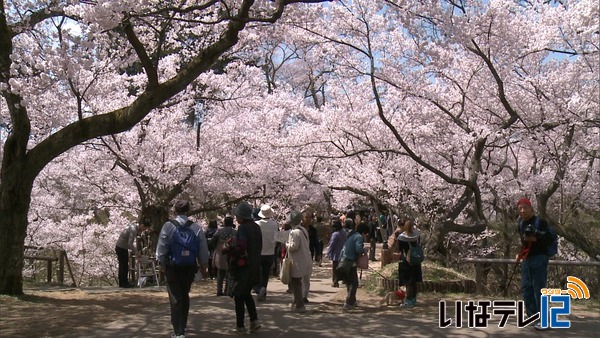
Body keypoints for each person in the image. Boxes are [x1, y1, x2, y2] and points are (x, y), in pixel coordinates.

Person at [156, 200, 209, 338]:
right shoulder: (196, 227)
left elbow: (162, 247)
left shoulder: (168, 226)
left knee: (175, 296)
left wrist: (161, 263)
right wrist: (204, 264)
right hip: (189, 266)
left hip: (173, 266)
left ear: (175, 211)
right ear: (188, 211)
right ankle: (183, 325)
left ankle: (178, 331)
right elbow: (203, 248)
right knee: (184, 294)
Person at [515, 197, 553, 331]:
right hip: (527, 259)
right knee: (527, 289)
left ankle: (545, 320)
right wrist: (520, 254)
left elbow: (549, 238)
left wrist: (537, 237)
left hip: (540, 258)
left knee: (539, 289)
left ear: (531, 208)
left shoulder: (540, 222)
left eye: (525, 207)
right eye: (520, 208)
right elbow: (524, 242)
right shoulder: (520, 224)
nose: (522, 211)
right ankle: (533, 317)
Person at [229, 201, 262, 334]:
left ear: (241, 217)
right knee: (246, 293)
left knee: (238, 295)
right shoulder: (256, 227)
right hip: (255, 265)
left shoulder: (243, 228)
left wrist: (231, 250)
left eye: (237, 215)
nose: (236, 218)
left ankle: (240, 326)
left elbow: (241, 246)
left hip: (244, 267)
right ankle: (254, 321)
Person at [286, 210, 312, 313]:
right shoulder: (304, 230)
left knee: (296, 283)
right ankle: (297, 302)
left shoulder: (294, 232)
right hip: (306, 259)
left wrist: (286, 244)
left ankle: (299, 305)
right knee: (301, 282)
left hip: (298, 261)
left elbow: (293, 247)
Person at [339, 223, 368, 311]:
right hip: (350, 261)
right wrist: (365, 250)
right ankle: (348, 303)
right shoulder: (358, 237)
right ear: (363, 232)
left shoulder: (352, 236)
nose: (365, 236)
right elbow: (358, 249)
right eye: (366, 234)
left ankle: (352, 301)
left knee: (349, 282)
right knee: (354, 283)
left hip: (343, 260)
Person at [252, 204, 278, 301]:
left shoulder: (257, 224)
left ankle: (259, 289)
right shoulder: (274, 224)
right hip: (270, 252)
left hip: (258, 252)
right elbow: (276, 238)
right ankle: (263, 292)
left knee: (256, 273)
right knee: (266, 274)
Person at [394, 219, 422, 308]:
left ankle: (408, 300)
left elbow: (399, 249)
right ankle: (413, 299)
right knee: (414, 281)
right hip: (416, 259)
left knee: (408, 281)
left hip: (406, 260)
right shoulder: (417, 235)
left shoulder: (401, 237)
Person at [115, 218, 150, 288]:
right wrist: (136, 252)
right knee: (124, 266)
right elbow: (130, 244)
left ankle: (123, 283)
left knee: (123, 266)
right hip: (121, 248)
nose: (144, 230)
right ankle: (124, 283)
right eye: (145, 228)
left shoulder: (134, 227)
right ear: (142, 225)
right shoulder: (133, 229)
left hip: (121, 247)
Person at [209, 215, 236, 296]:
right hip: (230, 254)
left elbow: (212, 242)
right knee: (229, 273)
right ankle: (227, 291)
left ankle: (219, 290)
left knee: (220, 273)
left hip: (220, 253)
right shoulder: (235, 232)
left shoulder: (219, 231)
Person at [326, 217, 347, 287]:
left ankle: (335, 282)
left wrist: (328, 253)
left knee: (335, 269)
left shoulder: (335, 234)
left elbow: (332, 244)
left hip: (336, 254)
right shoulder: (344, 232)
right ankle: (344, 280)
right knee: (343, 268)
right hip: (344, 253)